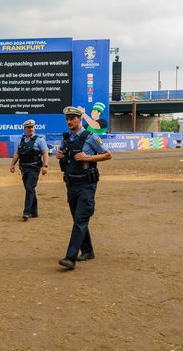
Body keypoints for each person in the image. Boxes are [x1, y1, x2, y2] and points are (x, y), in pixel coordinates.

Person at [56, 106, 112, 270]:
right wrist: (59, 156)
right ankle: (87, 251)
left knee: (80, 220)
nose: (69, 122)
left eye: (72, 119)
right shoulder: (66, 138)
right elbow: (62, 155)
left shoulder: (91, 137)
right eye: (67, 119)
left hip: (87, 185)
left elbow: (108, 154)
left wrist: (88, 157)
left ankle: (70, 257)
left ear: (80, 119)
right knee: (78, 220)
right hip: (71, 184)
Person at [9, 119, 49, 220]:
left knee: (29, 189)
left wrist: (45, 166)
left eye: (32, 127)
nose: (30, 129)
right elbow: (17, 153)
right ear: (25, 129)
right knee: (30, 189)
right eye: (28, 127)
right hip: (24, 169)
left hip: (34, 168)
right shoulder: (22, 140)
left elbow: (45, 152)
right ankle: (34, 212)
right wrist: (12, 164)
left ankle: (26, 212)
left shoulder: (39, 139)